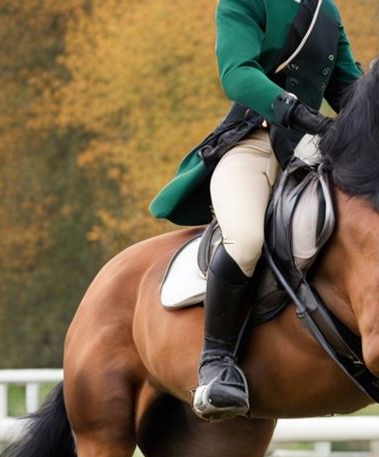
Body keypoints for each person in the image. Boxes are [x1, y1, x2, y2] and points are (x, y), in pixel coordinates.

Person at [149, 0, 361, 420]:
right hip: (255, 141)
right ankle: (215, 363)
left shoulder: (325, 10)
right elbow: (237, 74)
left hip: (312, 150)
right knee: (245, 240)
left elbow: (348, 88)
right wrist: (297, 112)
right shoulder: (241, 3)